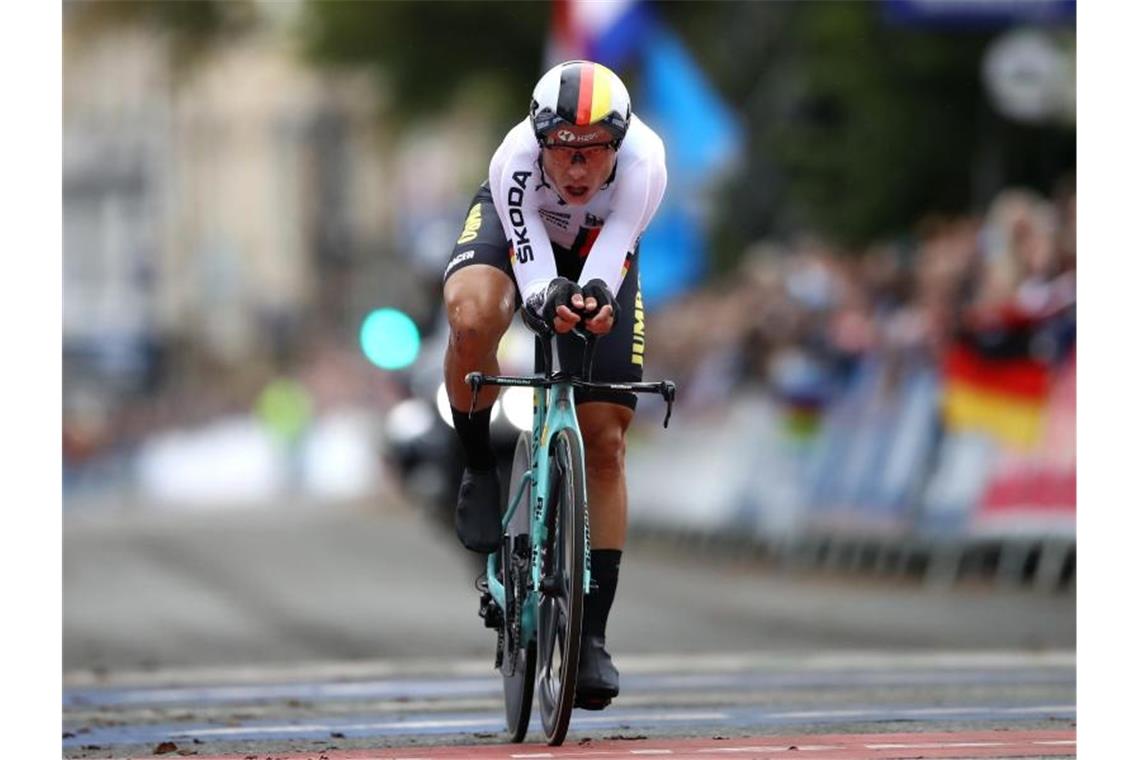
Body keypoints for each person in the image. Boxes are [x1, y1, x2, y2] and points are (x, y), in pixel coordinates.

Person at [441, 60, 667, 709]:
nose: (575, 171)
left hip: (600, 245)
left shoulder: (645, 166)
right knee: (475, 315)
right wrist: (544, 297)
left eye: (592, 154)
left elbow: (611, 259)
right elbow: (532, 267)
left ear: (617, 146)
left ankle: (590, 636)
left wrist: (592, 297)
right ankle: (479, 463)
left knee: (607, 437)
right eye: (563, 153)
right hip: (520, 234)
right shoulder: (513, 159)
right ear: (540, 141)